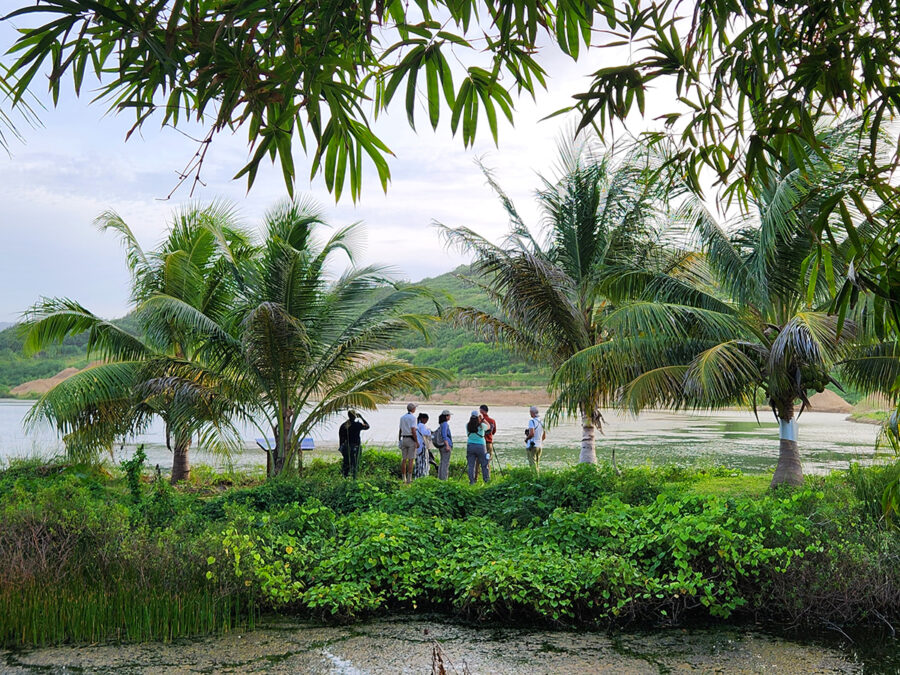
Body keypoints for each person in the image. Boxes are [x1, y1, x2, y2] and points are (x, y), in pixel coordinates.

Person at [340, 410, 369, 479]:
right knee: (355, 464)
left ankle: (345, 478)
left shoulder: (344, 425)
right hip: (355, 447)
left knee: (346, 463)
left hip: (346, 446)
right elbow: (367, 426)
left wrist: (341, 447)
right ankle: (354, 478)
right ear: (355, 416)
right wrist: (361, 418)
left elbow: (341, 436)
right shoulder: (357, 425)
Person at [465, 410, 490, 485]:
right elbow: (489, 426)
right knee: (484, 464)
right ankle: (486, 480)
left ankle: (472, 482)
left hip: (470, 446)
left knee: (471, 465)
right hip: (481, 446)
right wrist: (483, 419)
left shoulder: (467, 425)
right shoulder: (481, 425)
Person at [398, 402, 418, 484]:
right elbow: (413, 430)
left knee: (404, 459)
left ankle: (404, 478)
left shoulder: (402, 417)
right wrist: (416, 441)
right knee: (411, 459)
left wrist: (399, 439)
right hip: (410, 439)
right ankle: (409, 479)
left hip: (404, 438)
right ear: (413, 409)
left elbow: (400, 430)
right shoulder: (413, 418)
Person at [525, 405, 546, 473]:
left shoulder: (532, 421)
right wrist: (539, 441)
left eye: (530, 412)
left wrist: (526, 439)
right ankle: (538, 478)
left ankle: (535, 479)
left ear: (532, 413)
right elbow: (544, 436)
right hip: (539, 446)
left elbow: (532, 434)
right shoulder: (542, 422)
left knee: (532, 464)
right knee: (537, 464)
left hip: (532, 446)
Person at [414, 412, 432, 479]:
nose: (426, 421)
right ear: (423, 419)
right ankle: (423, 476)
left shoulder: (417, 425)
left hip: (417, 446)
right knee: (423, 461)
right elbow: (425, 433)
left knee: (418, 462)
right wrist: (429, 430)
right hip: (422, 446)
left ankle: (417, 476)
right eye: (426, 419)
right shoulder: (422, 425)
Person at [435, 410, 453, 480]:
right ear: (446, 416)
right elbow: (444, 435)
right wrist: (447, 445)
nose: (450, 417)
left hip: (442, 445)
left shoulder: (441, 424)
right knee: (445, 463)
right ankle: (444, 479)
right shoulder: (445, 424)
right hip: (445, 445)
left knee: (442, 462)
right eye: (449, 415)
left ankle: (440, 477)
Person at [479, 404, 497, 472]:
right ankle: (487, 476)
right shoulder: (492, 421)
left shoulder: (479, 421)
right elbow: (494, 431)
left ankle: (476, 477)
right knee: (488, 460)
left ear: (481, 411)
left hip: (480, 443)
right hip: (489, 443)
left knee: (478, 460)